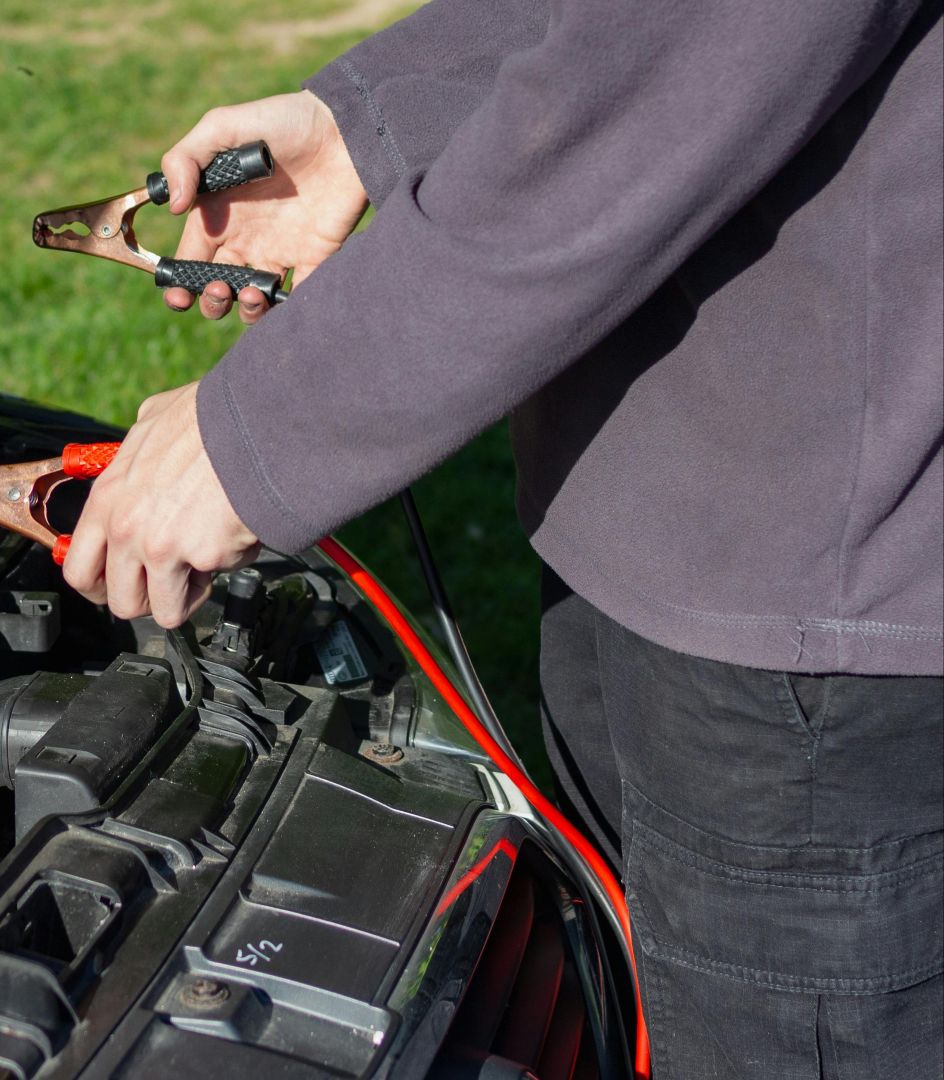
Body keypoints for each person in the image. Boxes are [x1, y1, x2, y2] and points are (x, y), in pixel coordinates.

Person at [58, 1, 943, 1076]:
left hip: (816, 624)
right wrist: (365, 118)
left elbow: (661, 95)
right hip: (642, 524)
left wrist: (259, 433)